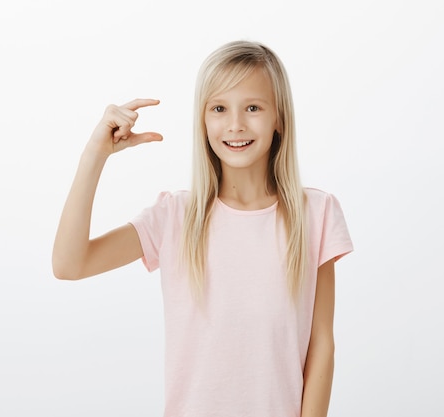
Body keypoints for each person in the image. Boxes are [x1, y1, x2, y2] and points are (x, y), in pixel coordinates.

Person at [52, 40, 353, 417]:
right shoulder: (175, 216)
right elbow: (69, 265)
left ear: (279, 118)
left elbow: (321, 345)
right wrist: (95, 155)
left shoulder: (316, 214)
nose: (236, 124)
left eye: (254, 108)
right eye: (219, 108)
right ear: (203, 120)